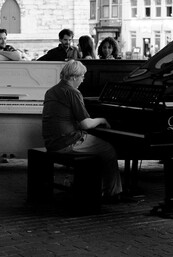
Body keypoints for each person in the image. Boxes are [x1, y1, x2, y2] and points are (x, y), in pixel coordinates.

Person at [42, 60, 123, 201]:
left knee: (95, 146)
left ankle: (91, 186)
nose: (83, 79)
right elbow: (86, 124)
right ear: (73, 77)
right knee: (109, 149)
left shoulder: (51, 91)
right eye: (82, 76)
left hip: (51, 142)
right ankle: (112, 193)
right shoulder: (73, 92)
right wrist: (102, 120)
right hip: (67, 142)